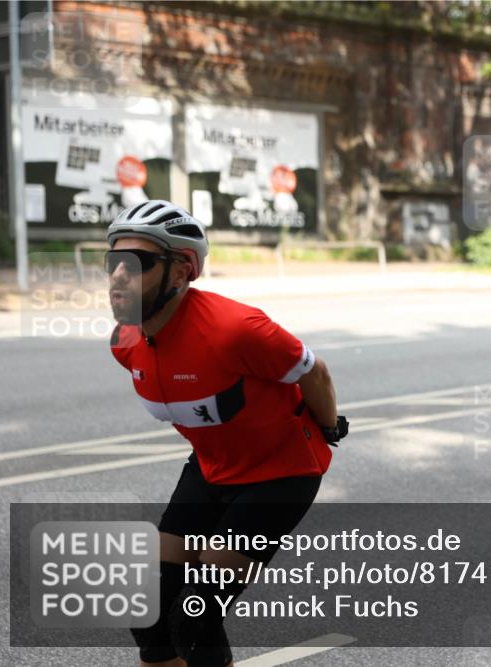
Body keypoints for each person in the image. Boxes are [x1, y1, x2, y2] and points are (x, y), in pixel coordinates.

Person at [106, 200, 348, 667]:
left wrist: (328, 427)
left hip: (281, 474)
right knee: (150, 612)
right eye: (114, 261)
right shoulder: (125, 342)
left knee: (195, 618)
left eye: (138, 263)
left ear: (180, 273)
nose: (119, 275)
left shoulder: (237, 329)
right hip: (213, 469)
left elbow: (314, 372)